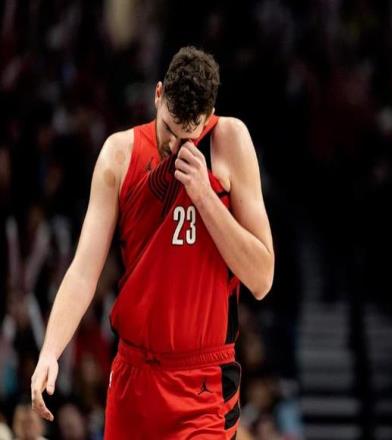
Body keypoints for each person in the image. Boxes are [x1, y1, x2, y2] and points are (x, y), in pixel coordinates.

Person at [31, 46, 275, 439]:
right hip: (135, 377)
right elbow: (83, 270)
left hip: (202, 384)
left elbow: (262, 279)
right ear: (158, 95)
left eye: (188, 136)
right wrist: (50, 351)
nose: (174, 147)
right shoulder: (118, 154)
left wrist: (205, 196)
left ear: (209, 116)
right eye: (169, 130)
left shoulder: (230, 141)